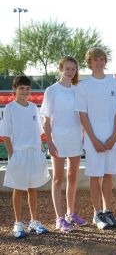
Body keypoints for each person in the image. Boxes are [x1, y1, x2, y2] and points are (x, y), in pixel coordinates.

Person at [75, 47, 116, 229]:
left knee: (108, 175)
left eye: (102, 59)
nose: (99, 62)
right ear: (90, 62)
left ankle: (107, 211)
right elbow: (82, 115)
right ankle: (97, 214)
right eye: (95, 60)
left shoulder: (115, 83)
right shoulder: (83, 86)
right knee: (95, 176)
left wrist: (113, 136)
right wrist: (94, 139)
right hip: (93, 140)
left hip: (112, 139)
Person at [41, 56, 87, 233]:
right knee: (58, 178)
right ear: (60, 69)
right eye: (67, 68)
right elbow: (46, 121)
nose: (70, 72)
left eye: (73, 69)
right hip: (58, 139)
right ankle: (59, 218)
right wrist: (50, 142)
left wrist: (83, 136)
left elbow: (82, 116)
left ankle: (70, 213)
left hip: (76, 137)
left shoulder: (78, 90)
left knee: (73, 177)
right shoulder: (51, 91)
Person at [1, 75, 50, 238]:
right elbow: (6, 135)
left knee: (33, 188)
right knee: (19, 188)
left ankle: (34, 221)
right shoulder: (10, 109)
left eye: (27, 88)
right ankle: (18, 223)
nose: (25, 91)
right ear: (14, 90)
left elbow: (38, 132)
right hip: (18, 154)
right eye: (21, 88)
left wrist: (41, 151)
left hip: (34, 153)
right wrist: (12, 155)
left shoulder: (33, 108)